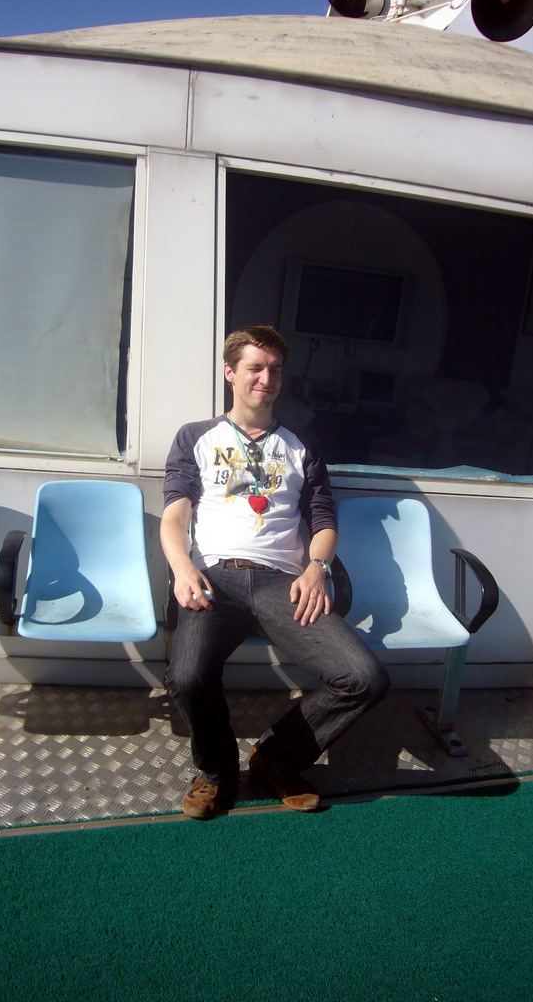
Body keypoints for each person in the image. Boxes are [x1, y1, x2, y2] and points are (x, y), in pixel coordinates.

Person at [160, 325, 390, 818]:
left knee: (363, 677)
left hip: (282, 583)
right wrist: (181, 566)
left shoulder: (302, 444)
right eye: (255, 368)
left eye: (275, 370)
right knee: (188, 676)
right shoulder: (195, 437)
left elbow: (324, 519)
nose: (266, 378)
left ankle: (275, 757)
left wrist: (317, 567)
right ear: (230, 373)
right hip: (214, 577)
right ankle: (217, 772)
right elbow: (176, 512)